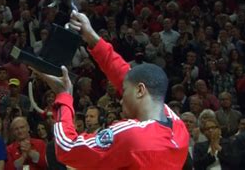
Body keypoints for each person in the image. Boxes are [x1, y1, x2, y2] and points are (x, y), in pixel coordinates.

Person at [31, 11, 189, 169]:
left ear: (140, 91)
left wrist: (63, 96)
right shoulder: (178, 128)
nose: (121, 99)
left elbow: (67, 148)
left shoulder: (131, 134)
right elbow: (127, 76)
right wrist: (92, 37)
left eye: (124, 91)